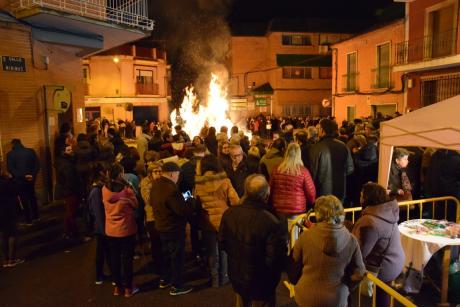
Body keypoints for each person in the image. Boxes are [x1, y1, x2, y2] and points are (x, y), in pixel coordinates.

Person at [219, 174, 286, 307]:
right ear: (266, 194)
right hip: (261, 280)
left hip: (237, 274)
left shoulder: (229, 214)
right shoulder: (271, 221)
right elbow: (275, 258)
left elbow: (223, 243)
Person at [287, 195, 365, 307]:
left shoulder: (305, 237)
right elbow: (359, 273)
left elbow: (293, 265)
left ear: (318, 213)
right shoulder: (351, 240)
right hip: (337, 299)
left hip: (306, 297)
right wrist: (347, 286)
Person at [352, 182, 405, 307]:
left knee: (382, 294)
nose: (360, 198)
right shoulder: (386, 211)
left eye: (361, 195)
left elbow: (361, 251)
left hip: (385, 266)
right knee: (383, 292)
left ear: (367, 198)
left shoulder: (370, 221)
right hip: (394, 259)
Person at [194, 155, 240, 287]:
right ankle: (224, 276)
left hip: (207, 221)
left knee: (211, 251)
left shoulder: (198, 183)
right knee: (224, 250)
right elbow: (235, 201)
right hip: (223, 221)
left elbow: (197, 203)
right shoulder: (225, 181)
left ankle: (214, 279)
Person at [150, 162, 193, 296]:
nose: (178, 177)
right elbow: (181, 210)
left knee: (167, 255)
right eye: (178, 174)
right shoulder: (171, 189)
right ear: (172, 174)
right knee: (177, 257)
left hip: (161, 226)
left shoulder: (156, 185)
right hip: (173, 228)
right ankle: (177, 285)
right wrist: (190, 200)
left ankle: (165, 279)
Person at [102, 163, 139, 297]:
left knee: (114, 258)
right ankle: (128, 288)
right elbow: (135, 204)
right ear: (120, 174)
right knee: (127, 259)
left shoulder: (105, 190)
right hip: (126, 228)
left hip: (111, 229)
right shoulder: (127, 190)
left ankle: (118, 287)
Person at [270, 143, 316, 240]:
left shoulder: (276, 169)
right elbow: (311, 193)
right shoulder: (303, 171)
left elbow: (270, 189)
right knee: (294, 237)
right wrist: (311, 202)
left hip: (279, 208)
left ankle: (283, 252)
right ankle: (293, 253)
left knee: (282, 236)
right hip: (297, 210)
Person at [309, 119, 354, 201]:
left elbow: (312, 173)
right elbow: (350, 169)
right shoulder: (343, 146)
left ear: (322, 130)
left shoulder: (316, 148)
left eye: (318, 129)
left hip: (322, 194)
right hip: (340, 192)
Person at [6, 139, 40, 225]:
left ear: (13, 145)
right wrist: (32, 175)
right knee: (32, 197)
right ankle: (36, 216)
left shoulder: (10, 154)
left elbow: (11, 169)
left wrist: (23, 176)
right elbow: (37, 165)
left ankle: (28, 220)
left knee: (24, 199)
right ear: (21, 143)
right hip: (31, 179)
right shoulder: (30, 151)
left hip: (19, 181)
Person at [87, 162, 110, 285]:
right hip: (101, 227)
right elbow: (97, 212)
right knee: (102, 251)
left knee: (103, 251)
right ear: (101, 173)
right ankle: (99, 275)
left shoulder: (97, 188)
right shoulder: (96, 191)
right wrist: (104, 229)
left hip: (101, 226)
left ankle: (101, 275)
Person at [140, 162, 163, 273]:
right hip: (152, 217)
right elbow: (148, 200)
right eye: (156, 171)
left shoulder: (162, 181)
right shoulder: (146, 183)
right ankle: (158, 265)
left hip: (163, 215)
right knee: (156, 242)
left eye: (160, 171)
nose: (159, 173)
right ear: (150, 173)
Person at [55, 145, 81, 239]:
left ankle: (68, 232)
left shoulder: (66, 161)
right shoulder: (66, 165)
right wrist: (75, 190)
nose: (71, 151)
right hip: (71, 192)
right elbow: (70, 180)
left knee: (70, 212)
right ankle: (73, 234)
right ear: (63, 152)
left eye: (71, 149)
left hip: (68, 191)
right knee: (71, 213)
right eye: (68, 150)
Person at [0, 167, 24, 268]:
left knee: (2, 235)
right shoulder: (5, 183)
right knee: (12, 234)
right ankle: (12, 259)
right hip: (9, 210)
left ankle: (5, 260)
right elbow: (17, 190)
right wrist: (10, 178)